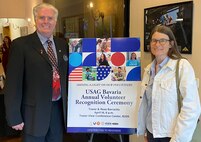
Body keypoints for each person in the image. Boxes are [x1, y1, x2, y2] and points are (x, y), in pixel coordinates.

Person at [4, 3, 68, 142]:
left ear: (55, 21)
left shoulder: (62, 44)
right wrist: (14, 116)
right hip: (33, 114)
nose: (46, 21)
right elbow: (12, 84)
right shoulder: (20, 45)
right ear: (35, 20)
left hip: (58, 111)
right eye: (42, 17)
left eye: (50, 18)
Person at [137, 25, 201, 142]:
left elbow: (192, 108)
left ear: (171, 44)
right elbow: (148, 105)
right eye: (154, 40)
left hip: (171, 135)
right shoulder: (148, 70)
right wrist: (146, 131)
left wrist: (177, 139)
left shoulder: (182, 66)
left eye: (162, 40)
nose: (157, 44)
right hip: (152, 133)